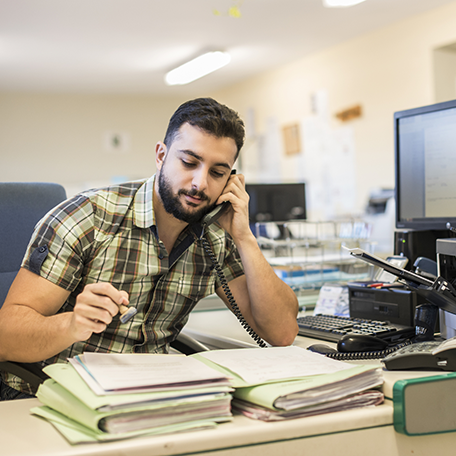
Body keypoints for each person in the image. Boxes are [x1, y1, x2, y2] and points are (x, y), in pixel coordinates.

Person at [0, 97, 299, 400]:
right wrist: (73, 324)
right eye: (189, 162)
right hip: (52, 395)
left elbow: (282, 332)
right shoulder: (87, 218)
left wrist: (244, 237)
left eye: (217, 173)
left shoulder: (216, 235)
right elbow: (6, 335)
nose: (199, 183)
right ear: (161, 155)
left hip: (147, 397)